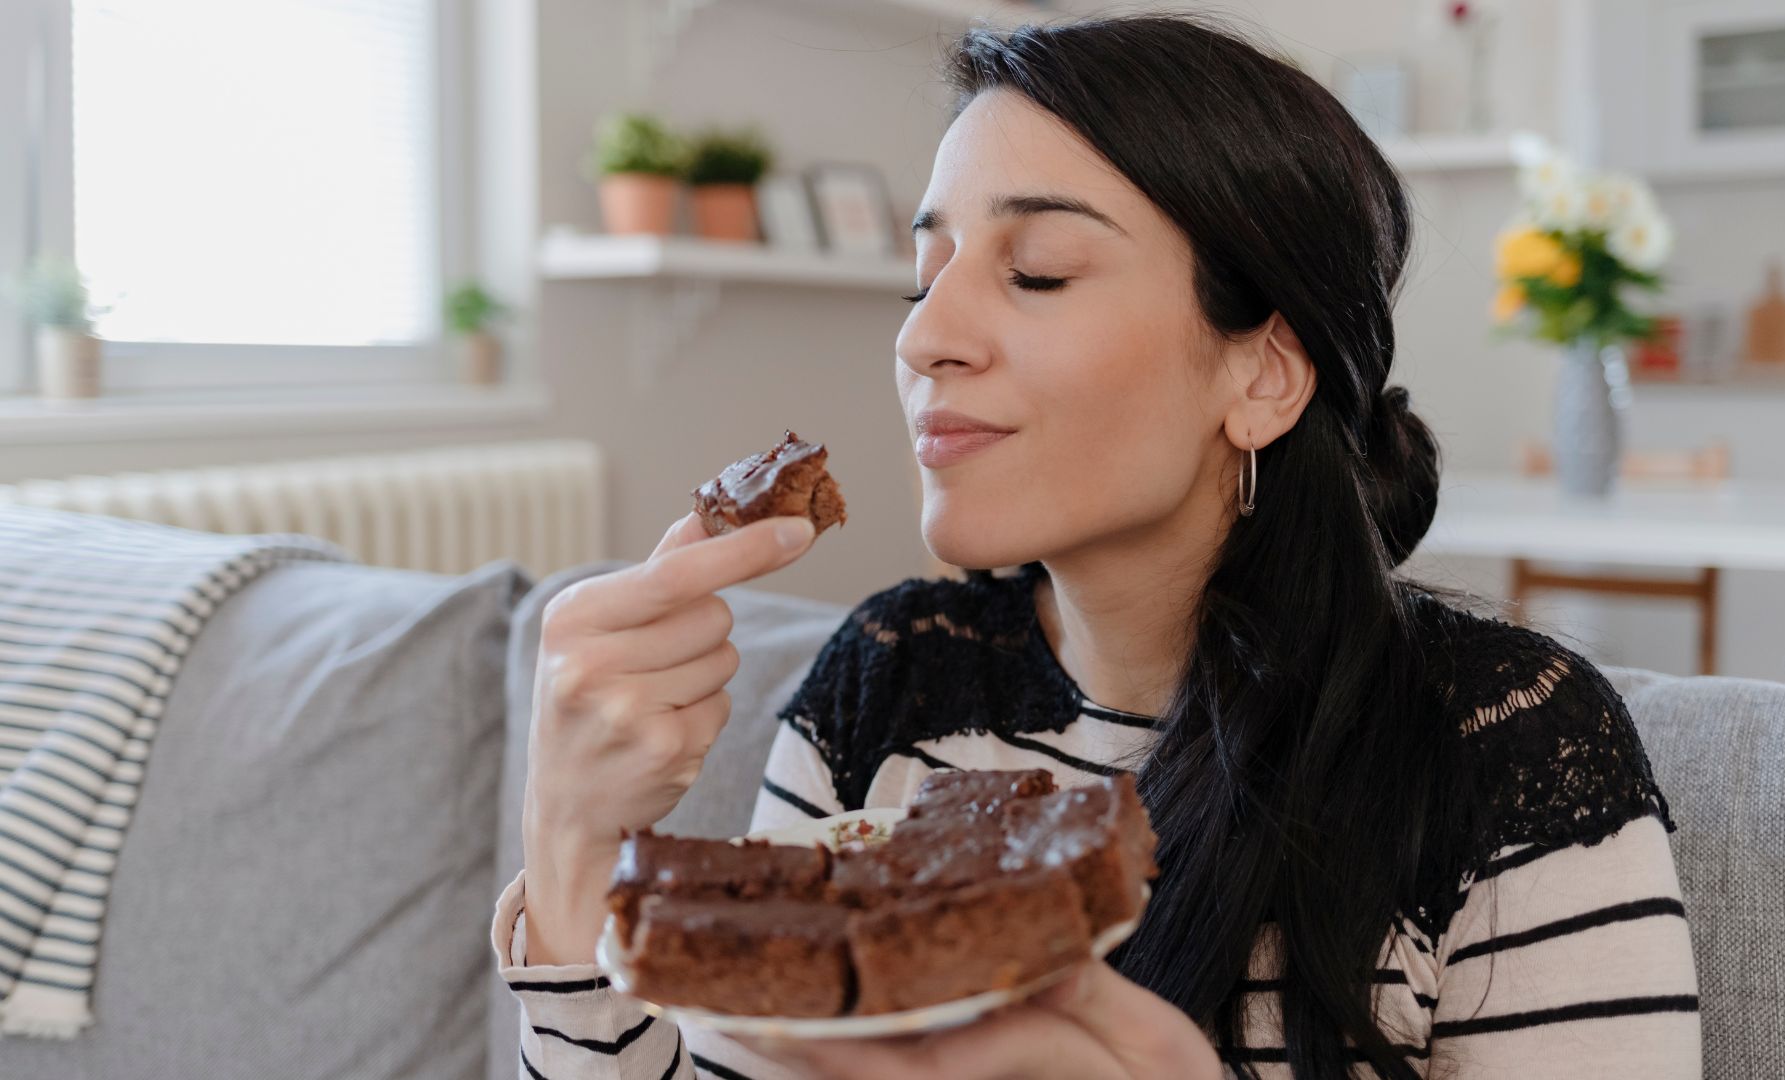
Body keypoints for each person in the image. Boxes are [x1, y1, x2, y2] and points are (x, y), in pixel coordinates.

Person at [496, 13, 1702, 1080]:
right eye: (923, 277)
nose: (924, 339)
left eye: (1038, 271)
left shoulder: (1505, 749)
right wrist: (567, 845)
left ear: (1263, 374)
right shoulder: (890, 683)